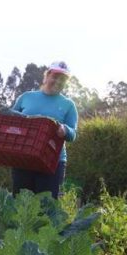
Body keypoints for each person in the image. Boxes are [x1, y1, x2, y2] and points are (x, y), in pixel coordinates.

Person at [9, 61, 78, 199]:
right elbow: (11, 121)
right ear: (46, 76)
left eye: (63, 79)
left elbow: (73, 133)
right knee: (20, 204)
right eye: (55, 76)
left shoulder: (68, 105)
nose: (58, 81)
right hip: (23, 158)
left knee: (46, 206)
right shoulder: (26, 97)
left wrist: (65, 130)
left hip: (52, 162)